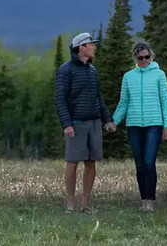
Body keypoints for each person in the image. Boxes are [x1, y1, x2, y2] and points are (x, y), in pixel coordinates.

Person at [55, 32, 116, 213]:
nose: (94, 47)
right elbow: (60, 99)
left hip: (94, 123)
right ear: (81, 48)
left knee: (91, 163)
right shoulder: (66, 70)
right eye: (91, 44)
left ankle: (85, 204)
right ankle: (70, 204)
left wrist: (108, 119)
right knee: (72, 162)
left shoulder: (92, 70)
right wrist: (67, 124)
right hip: (76, 123)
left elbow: (98, 98)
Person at [113, 42, 167, 212]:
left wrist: (166, 126)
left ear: (151, 57)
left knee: (149, 162)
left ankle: (150, 199)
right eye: (141, 58)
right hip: (134, 125)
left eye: (147, 57)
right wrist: (114, 121)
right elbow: (123, 103)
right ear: (135, 59)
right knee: (139, 164)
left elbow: (165, 102)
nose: (144, 60)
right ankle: (143, 199)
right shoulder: (128, 77)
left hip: (154, 124)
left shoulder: (160, 75)